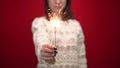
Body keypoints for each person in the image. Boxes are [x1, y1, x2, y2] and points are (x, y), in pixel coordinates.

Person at [31, 0, 87, 68]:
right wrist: (44, 51)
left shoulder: (76, 25)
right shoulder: (39, 23)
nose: (57, 1)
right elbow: (41, 41)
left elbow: (82, 59)